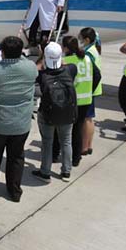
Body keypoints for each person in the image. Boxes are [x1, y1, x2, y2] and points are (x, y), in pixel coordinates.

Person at [0, 36, 37, 202]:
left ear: (2, 52)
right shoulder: (30, 67)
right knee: (16, 157)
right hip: (21, 123)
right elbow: (24, 60)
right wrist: (20, 54)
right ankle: (14, 190)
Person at [31, 42, 77, 183]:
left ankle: (45, 172)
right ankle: (66, 171)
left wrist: (41, 57)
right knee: (66, 141)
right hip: (67, 112)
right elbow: (64, 65)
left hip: (47, 114)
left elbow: (35, 71)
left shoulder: (42, 75)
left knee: (47, 142)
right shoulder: (71, 69)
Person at [56, 36, 100, 167]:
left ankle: (60, 154)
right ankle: (76, 158)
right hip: (86, 100)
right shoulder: (87, 58)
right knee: (78, 130)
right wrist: (90, 90)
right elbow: (97, 75)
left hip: (71, 101)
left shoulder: (66, 61)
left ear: (66, 48)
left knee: (64, 130)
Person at [79, 27, 101, 156]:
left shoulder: (88, 53)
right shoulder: (93, 49)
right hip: (92, 89)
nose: (80, 41)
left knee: (86, 120)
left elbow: (96, 74)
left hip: (89, 90)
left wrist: (89, 89)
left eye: (81, 38)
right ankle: (88, 145)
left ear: (87, 39)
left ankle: (84, 146)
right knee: (89, 119)